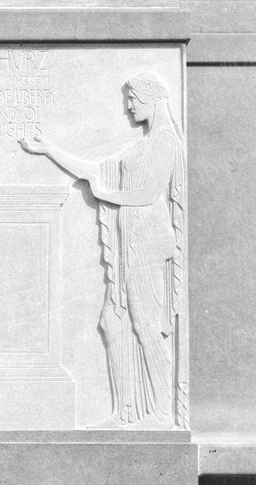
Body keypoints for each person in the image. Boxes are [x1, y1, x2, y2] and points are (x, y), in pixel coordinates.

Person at [20, 73, 187, 424]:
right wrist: (51, 150)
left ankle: (159, 410)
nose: (128, 106)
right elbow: (96, 170)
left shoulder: (165, 142)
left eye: (133, 100)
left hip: (147, 240)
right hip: (131, 241)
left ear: (152, 100)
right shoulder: (141, 145)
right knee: (113, 321)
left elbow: (147, 194)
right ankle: (124, 411)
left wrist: (104, 195)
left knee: (143, 325)